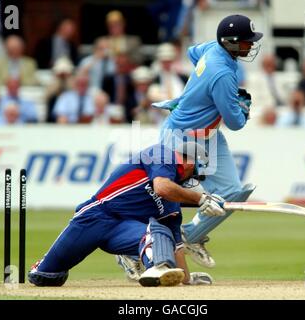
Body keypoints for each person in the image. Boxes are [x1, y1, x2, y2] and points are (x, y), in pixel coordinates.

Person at [117, 14, 262, 275]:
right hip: (181, 138)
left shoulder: (212, 49)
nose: (250, 46)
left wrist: (194, 93)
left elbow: (193, 52)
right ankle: (130, 250)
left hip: (207, 135)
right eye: (246, 42)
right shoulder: (222, 75)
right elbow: (236, 122)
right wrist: (243, 108)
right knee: (162, 200)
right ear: (230, 43)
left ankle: (190, 236)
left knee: (232, 191)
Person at [28, 142, 217, 287]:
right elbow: (161, 187)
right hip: (96, 215)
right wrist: (200, 199)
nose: (194, 178)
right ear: (190, 161)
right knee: (45, 277)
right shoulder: (161, 154)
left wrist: (186, 279)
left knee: (160, 232)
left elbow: (177, 248)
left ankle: (156, 269)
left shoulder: (173, 204)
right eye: (196, 170)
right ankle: (46, 268)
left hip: (121, 230)